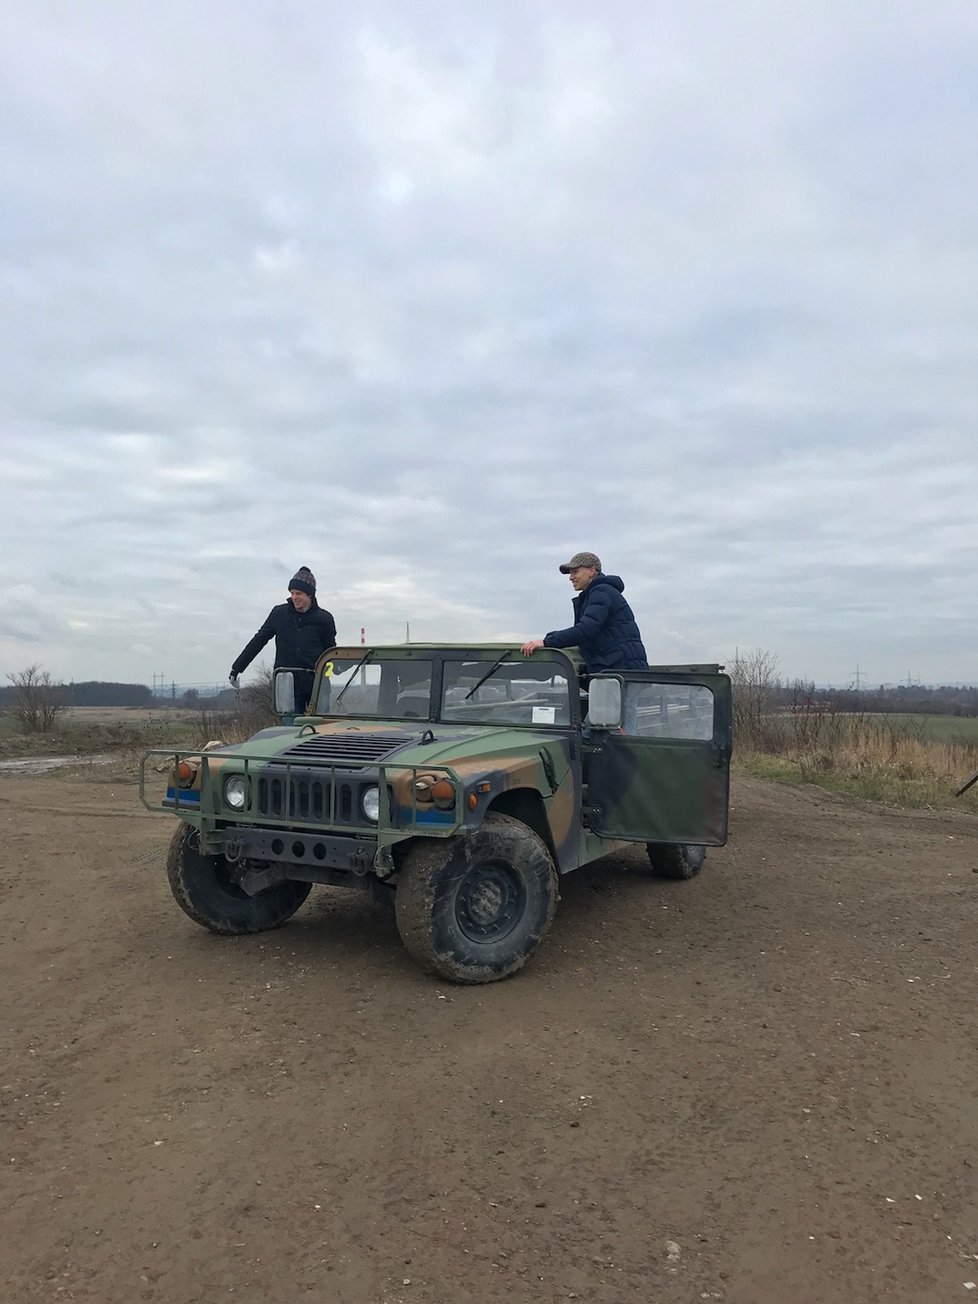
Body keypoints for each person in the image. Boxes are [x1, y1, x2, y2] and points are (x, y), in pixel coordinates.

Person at [230, 566, 337, 714]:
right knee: (290, 731)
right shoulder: (279, 614)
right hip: (287, 684)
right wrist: (237, 668)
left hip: (317, 683)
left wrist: (335, 671)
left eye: (298, 593)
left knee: (321, 730)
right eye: (292, 593)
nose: (294, 597)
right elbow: (259, 640)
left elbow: (331, 652)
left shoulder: (324, 619)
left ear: (310, 595)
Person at [521, 551, 647, 675]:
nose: (571, 578)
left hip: (621, 670)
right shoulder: (598, 593)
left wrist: (546, 642)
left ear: (592, 571)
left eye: (575, 572)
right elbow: (586, 632)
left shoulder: (601, 592)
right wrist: (552, 637)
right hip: (621, 668)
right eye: (570, 573)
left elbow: (585, 630)